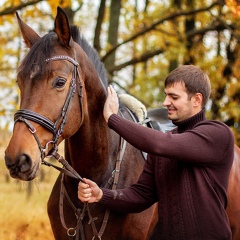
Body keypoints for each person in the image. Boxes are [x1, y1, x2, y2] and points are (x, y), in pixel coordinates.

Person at [78, 65, 235, 240]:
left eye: (174, 97)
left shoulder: (218, 134)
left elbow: (161, 144)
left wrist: (113, 119)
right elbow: (141, 195)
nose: (165, 102)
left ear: (196, 99)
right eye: (166, 95)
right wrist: (101, 194)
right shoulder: (163, 142)